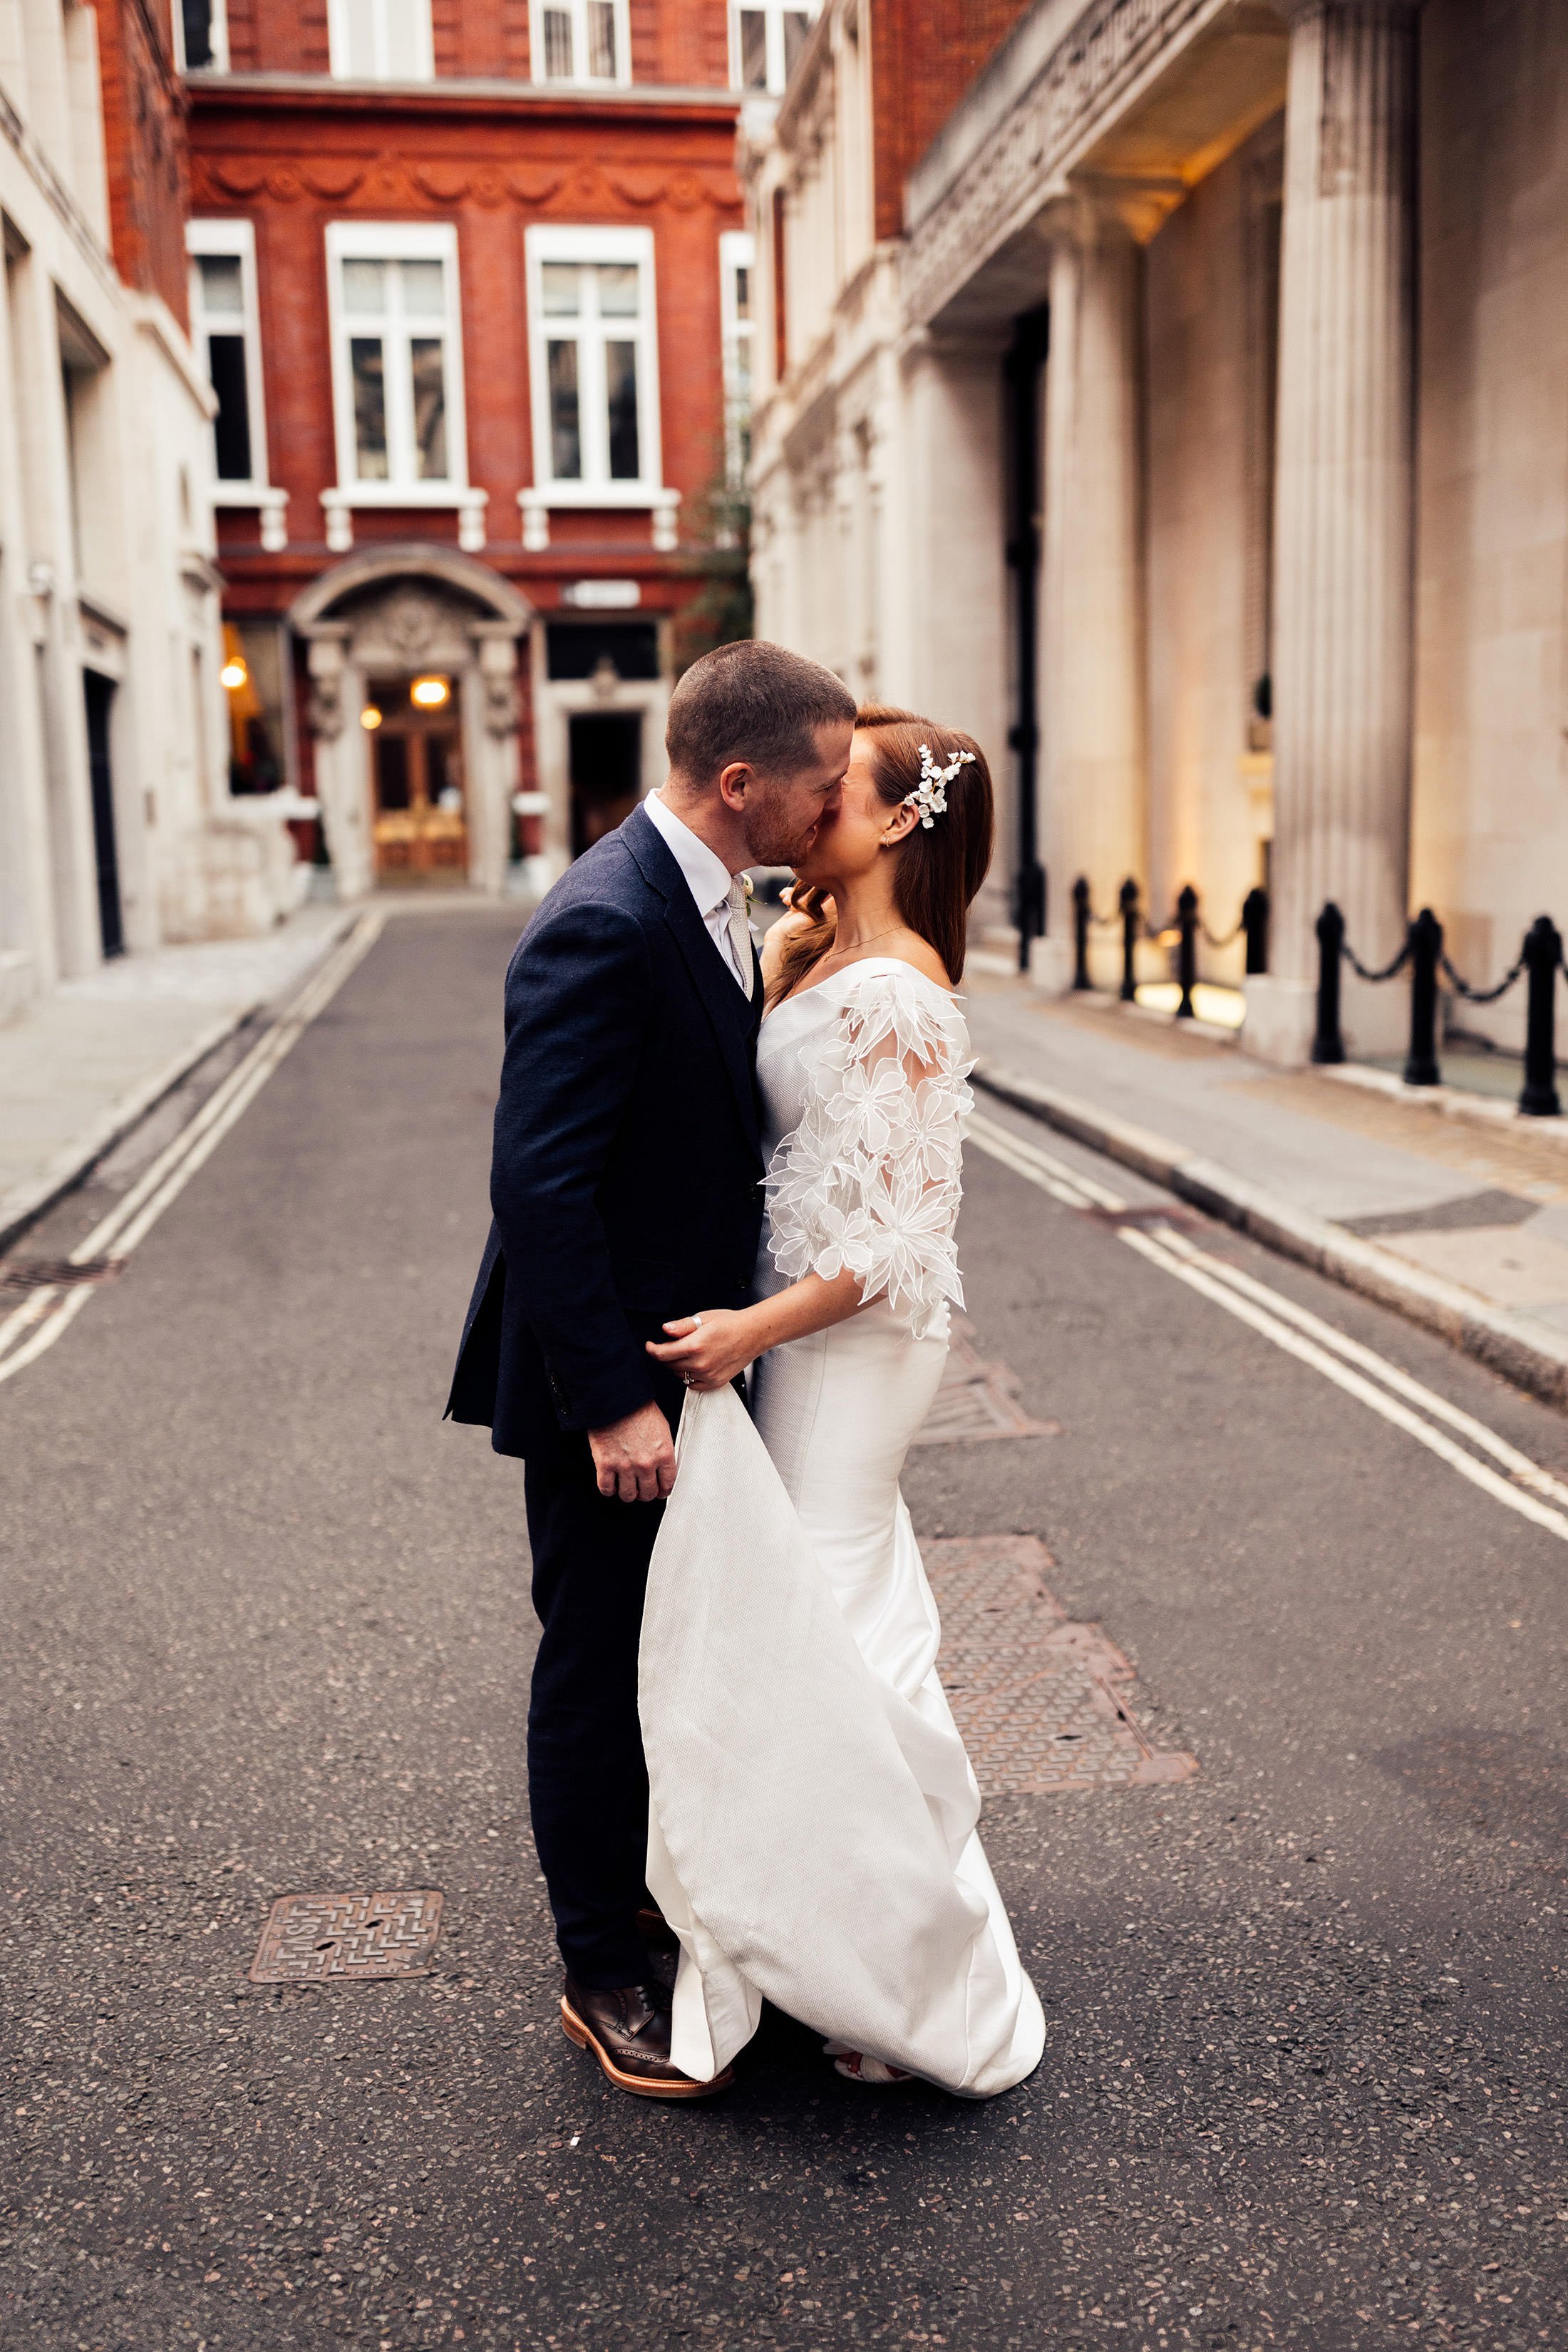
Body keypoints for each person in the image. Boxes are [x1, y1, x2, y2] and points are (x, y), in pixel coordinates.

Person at [446, 639, 857, 2099]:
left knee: (661, 1648)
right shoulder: (602, 921)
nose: (831, 811)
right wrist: (613, 1397)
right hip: (606, 1378)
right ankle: (599, 1969)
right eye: (817, 789)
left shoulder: (711, 897)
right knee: (594, 1659)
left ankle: (663, 1911)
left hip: (689, 1359)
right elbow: (538, 1186)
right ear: (738, 783)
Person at [639, 705, 1046, 2098]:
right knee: (801, 1610)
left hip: (851, 1343)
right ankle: (815, 1923)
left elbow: (894, 1244)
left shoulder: (904, 996)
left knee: (816, 1609)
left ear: (894, 825)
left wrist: (743, 1326)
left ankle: (872, 1956)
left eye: (838, 793)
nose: (809, 807)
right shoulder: (808, 950)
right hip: (797, 1328)